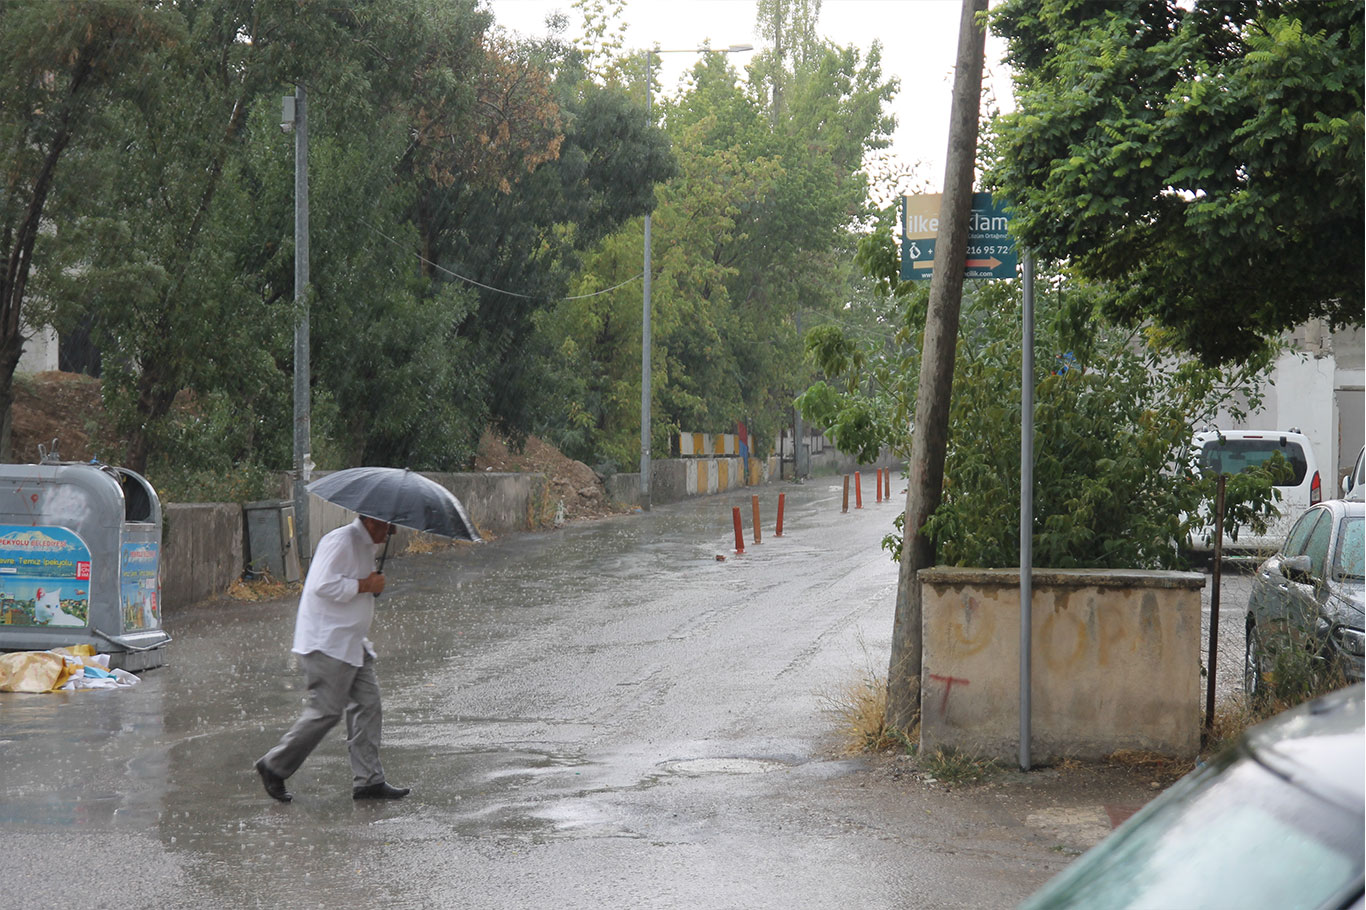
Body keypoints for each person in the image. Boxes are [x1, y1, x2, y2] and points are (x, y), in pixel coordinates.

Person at [254, 514, 411, 802]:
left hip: (352, 643)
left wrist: (367, 585)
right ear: (374, 522)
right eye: (390, 527)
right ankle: (274, 765)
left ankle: (368, 781)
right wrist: (365, 585)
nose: (392, 533)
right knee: (326, 711)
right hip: (328, 642)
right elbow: (322, 585)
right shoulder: (341, 541)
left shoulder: (366, 546)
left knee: (368, 704)